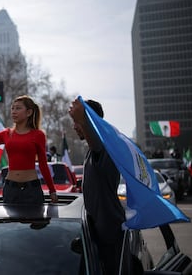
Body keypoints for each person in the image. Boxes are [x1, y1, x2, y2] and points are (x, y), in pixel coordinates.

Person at [68, 98, 125, 275]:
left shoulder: (103, 146)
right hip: (95, 233)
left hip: (109, 232)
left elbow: (95, 139)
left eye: (77, 122)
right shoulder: (93, 150)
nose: (74, 126)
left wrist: (83, 119)